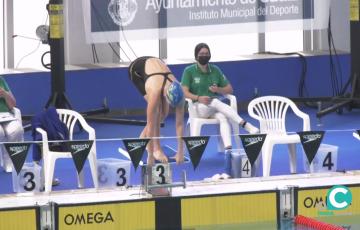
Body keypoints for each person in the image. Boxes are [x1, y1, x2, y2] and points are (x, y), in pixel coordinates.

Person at [181, 43, 259, 177]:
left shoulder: (215, 70)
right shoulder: (189, 71)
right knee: (216, 101)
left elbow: (230, 89)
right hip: (197, 108)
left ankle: (228, 150)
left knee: (223, 117)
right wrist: (198, 97)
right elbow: (184, 92)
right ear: (196, 56)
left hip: (213, 108)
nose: (204, 56)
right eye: (202, 54)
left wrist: (218, 90)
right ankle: (245, 125)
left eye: (207, 53)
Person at [129, 56, 185, 165]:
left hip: (156, 66)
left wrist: (180, 151)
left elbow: (180, 124)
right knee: (158, 112)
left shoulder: (180, 93)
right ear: (165, 95)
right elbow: (150, 124)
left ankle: (141, 139)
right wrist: (151, 155)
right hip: (137, 70)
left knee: (164, 113)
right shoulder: (155, 91)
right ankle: (156, 149)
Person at [0, 76, 24, 172]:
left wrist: (5, 94)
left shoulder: (1, 80)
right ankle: (3, 159)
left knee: (16, 129)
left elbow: (13, 104)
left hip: (6, 116)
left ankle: (9, 161)